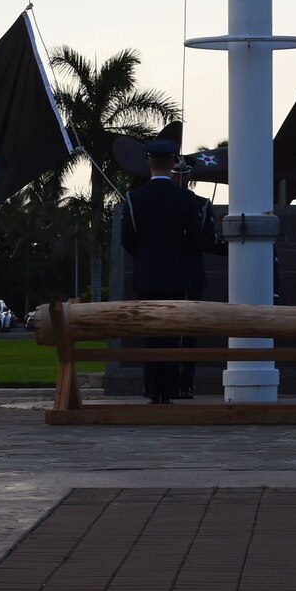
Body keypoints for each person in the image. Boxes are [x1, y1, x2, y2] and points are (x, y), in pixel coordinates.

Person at [119, 139, 209, 403]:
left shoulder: (135, 198)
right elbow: (194, 240)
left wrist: (146, 257)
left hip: (147, 275)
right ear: (173, 163)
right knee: (171, 335)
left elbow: (128, 241)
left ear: (148, 161)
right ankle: (169, 391)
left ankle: (152, 390)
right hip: (177, 275)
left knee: (150, 335)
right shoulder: (186, 199)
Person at [176, 158, 221, 398]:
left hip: (185, 274)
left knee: (186, 333)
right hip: (184, 273)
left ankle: (180, 383)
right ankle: (178, 383)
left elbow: (207, 241)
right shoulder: (198, 205)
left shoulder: (201, 205)